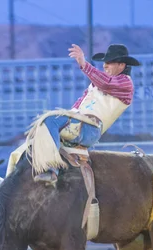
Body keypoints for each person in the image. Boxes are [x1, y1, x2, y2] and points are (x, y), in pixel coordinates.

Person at [33, 43, 140, 184]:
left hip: (90, 128)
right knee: (28, 145)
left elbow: (106, 83)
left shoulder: (126, 83)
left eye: (109, 62)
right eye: (104, 62)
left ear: (121, 65)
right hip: (79, 123)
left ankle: (51, 170)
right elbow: (79, 104)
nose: (105, 65)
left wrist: (84, 64)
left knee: (49, 121)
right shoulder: (96, 84)